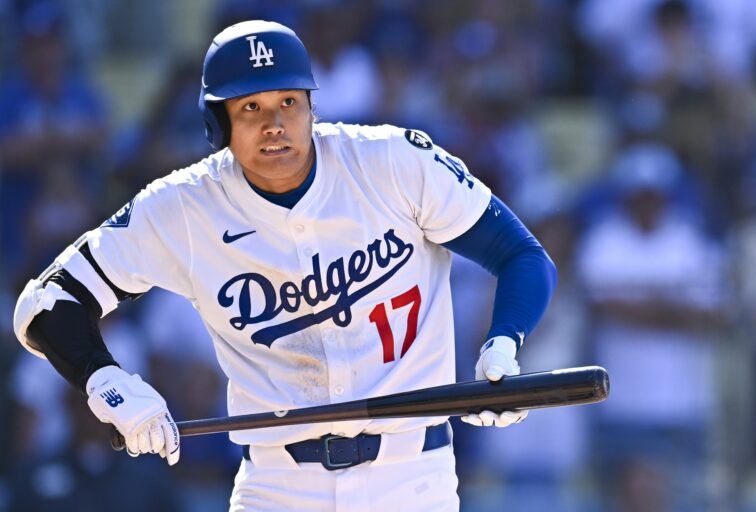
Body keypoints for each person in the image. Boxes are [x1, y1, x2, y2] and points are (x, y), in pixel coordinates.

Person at [13, 20, 557, 511]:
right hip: (278, 488)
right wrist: (107, 382)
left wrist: (503, 344)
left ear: (312, 106)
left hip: (413, 479)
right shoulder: (183, 206)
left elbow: (523, 256)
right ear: (217, 122)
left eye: (289, 103)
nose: (275, 124)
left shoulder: (394, 162)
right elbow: (45, 304)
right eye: (250, 107)